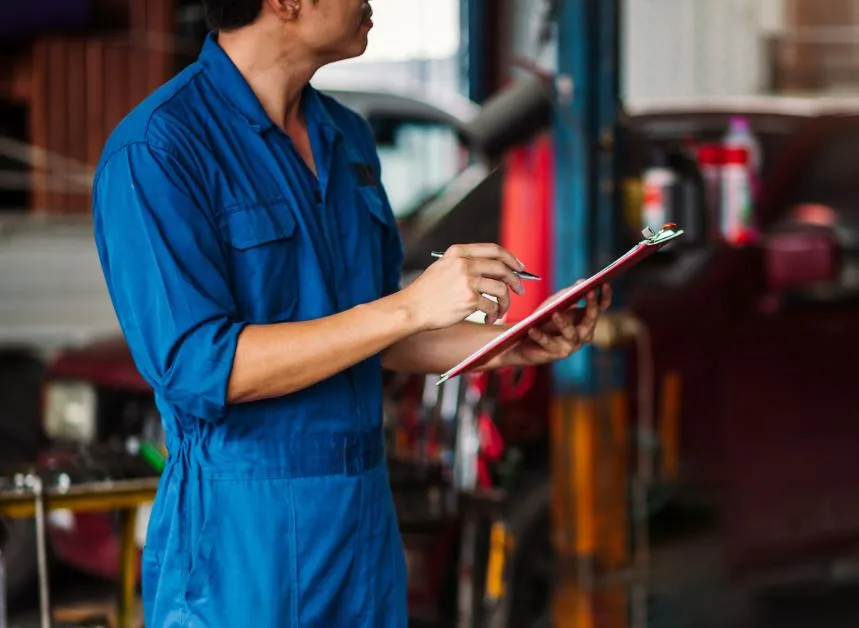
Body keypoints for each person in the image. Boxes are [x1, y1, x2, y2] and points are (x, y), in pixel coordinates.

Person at [90, 0, 610, 625]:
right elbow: (205, 369)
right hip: (240, 534)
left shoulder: (346, 137)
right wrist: (410, 305)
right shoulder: (160, 151)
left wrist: (513, 342)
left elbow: (376, 334)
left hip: (362, 519)